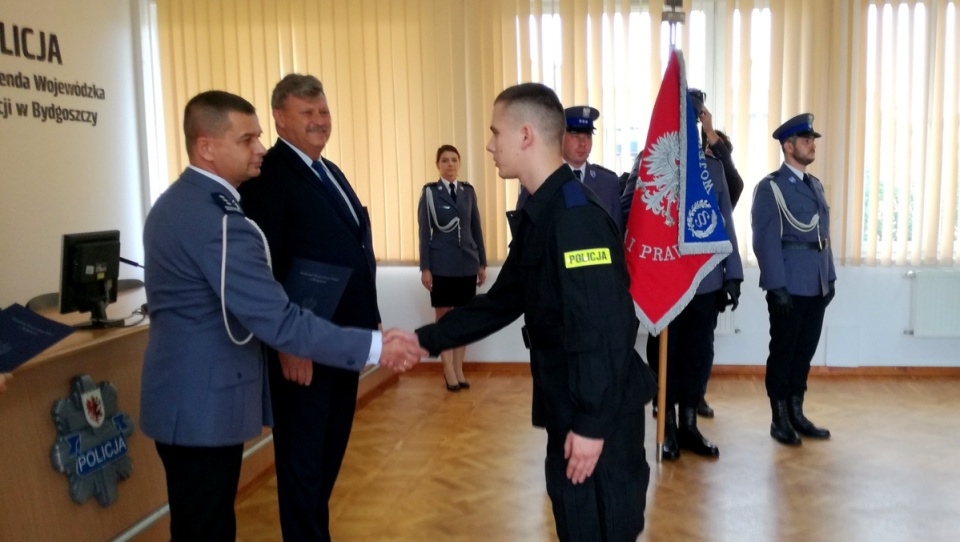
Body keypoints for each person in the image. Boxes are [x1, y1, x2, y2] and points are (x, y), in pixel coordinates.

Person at [140, 90, 424, 541]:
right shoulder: (217, 220)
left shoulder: (184, 203)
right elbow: (276, 317)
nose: (260, 148)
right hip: (199, 403)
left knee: (205, 523)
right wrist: (374, 346)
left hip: (193, 400)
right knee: (205, 526)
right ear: (206, 147)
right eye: (247, 139)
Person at [416, 83, 656, 542]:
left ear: (525, 135)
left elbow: (604, 328)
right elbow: (503, 300)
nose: (488, 145)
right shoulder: (541, 210)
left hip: (596, 413)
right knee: (573, 520)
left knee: (600, 527)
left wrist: (589, 424)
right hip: (568, 401)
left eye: (495, 132)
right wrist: (425, 339)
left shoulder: (574, 218)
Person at [238, 74, 386, 541]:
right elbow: (268, 268)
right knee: (303, 465)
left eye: (323, 112)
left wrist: (371, 316)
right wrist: (288, 344)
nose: (320, 121)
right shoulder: (269, 178)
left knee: (326, 458)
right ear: (280, 119)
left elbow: (353, 247)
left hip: (338, 343)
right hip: (303, 348)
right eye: (308, 114)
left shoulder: (328, 170)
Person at [655, 99, 744, 461]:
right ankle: (670, 427)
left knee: (699, 355)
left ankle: (690, 424)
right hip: (669, 281)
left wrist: (733, 274)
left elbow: (726, 222)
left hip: (705, 281)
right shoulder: (656, 167)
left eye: (694, 121)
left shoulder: (713, 168)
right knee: (669, 357)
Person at [751, 112, 836, 446]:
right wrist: (776, 286)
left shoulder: (813, 184)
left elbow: (821, 235)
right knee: (784, 352)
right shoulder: (770, 187)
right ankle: (779, 418)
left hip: (815, 283)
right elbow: (764, 240)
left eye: (813, 140)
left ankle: (797, 412)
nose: (812, 145)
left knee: (804, 352)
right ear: (788, 146)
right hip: (789, 284)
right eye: (806, 140)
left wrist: (829, 277)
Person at [417, 144, 487, 391]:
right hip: (442, 265)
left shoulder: (468, 192)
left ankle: (459, 367)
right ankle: (447, 370)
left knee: (464, 320)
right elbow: (424, 233)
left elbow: (475, 227)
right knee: (445, 319)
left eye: (453, 160)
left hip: (467, 263)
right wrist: (425, 267)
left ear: (459, 163)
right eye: (445, 160)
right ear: (438, 165)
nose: (450, 165)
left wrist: (482, 262)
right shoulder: (430, 193)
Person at [517, 105, 624, 233]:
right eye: (575, 135)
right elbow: (523, 235)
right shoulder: (538, 180)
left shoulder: (608, 183)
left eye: (588, 136)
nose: (583, 143)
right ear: (560, 136)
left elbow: (616, 235)